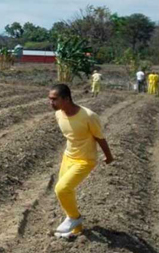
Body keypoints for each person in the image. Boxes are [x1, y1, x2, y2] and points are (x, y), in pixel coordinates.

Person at [49, 84, 114, 238]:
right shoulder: (59, 114)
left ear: (66, 99)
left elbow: (100, 137)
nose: (51, 103)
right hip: (68, 157)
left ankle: (75, 218)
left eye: (54, 100)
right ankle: (77, 229)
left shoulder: (88, 116)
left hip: (85, 160)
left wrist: (109, 156)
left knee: (62, 189)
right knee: (66, 193)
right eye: (50, 99)